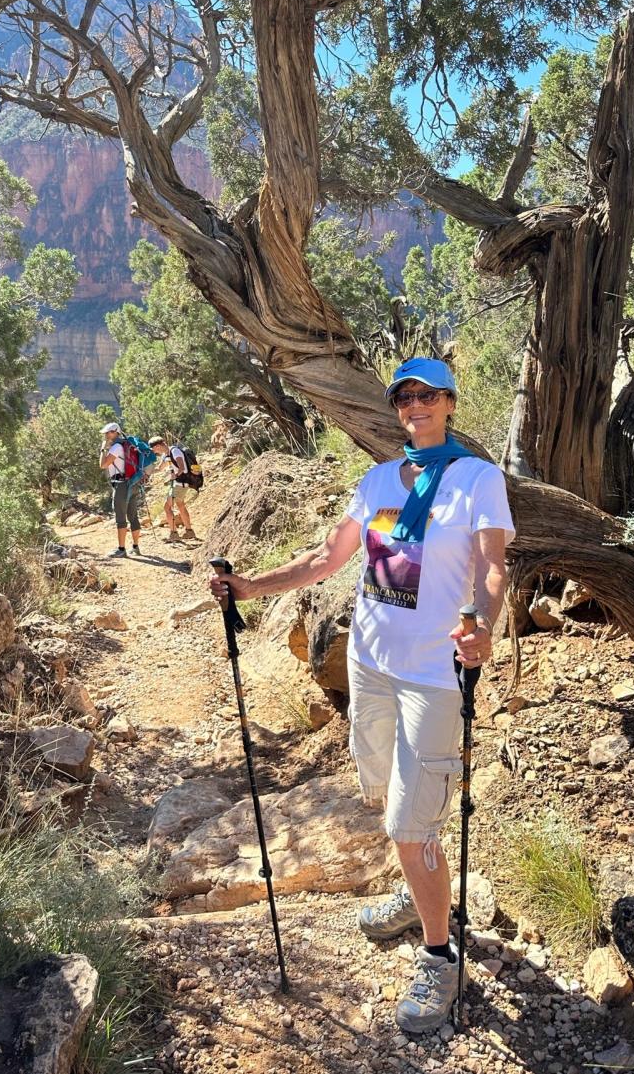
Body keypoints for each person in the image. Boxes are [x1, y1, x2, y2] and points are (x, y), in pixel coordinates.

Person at [209, 358, 514, 1032]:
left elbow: (492, 565)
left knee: (411, 823)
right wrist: (251, 587)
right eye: (405, 397)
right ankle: (420, 897)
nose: (417, 405)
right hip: (370, 667)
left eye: (428, 394)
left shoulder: (476, 478)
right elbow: (327, 556)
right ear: (397, 409)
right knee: (392, 803)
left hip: (433, 674)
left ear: (450, 402)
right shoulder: (378, 478)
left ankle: (439, 953)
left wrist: (484, 626)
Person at [100, 421, 142, 557]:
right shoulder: (126, 445)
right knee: (133, 516)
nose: (106, 435)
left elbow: (103, 465)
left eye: (108, 433)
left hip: (121, 484)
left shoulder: (116, 447)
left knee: (120, 517)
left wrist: (102, 449)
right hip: (133, 483)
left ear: (115, 432)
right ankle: (135, 547)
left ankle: (121, 549)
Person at [148, 436, 198, 543]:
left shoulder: (174, 451)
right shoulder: (165, 455)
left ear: (157, 446)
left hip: (180, 483)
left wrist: (174, 475)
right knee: (180, 505)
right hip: (180, 483)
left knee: (167, 507)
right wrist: (146, 472)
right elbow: (159, 469)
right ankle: (189, 531)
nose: (154, 452)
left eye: (154, 449)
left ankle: (174, 533)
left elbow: (181, 467)